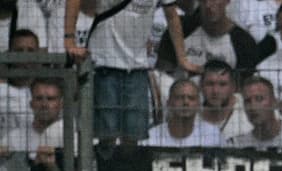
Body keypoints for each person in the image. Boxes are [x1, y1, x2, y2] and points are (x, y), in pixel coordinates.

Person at [63, 0, 197, 140]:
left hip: (138, 67)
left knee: (134, 135)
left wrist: (182, 59)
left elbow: (172, 16)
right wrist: (69, 41)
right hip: (104, 64)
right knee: (106, 136)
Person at [156, 0, 262, 73]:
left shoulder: (244, 42)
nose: (209, 5)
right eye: (204, 0)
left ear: (228, 1)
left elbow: (243, 87)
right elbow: (162, 75)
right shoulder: (180, 30)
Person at [225, 75, 282, 147]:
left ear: (274, 102)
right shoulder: (237, 144)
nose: (252, 107)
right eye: (247, 101)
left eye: (259, 99)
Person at [144, 78, 225, 147]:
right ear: (168, 103)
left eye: (191, 98)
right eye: (179, 97)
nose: (186, 102)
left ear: (199, 104)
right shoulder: (151, 136)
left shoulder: (213, 135)